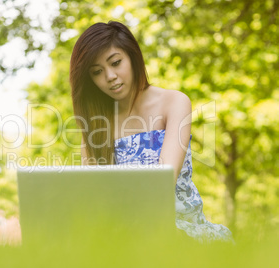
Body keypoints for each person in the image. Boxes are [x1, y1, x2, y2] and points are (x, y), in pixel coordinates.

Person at [69, 21, 233, 243]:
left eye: (116, 63)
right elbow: (91, 196)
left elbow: (162, 182)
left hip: (178, 231)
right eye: (97, 72)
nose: (110, 76)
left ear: (133, 57)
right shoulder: (95, 126)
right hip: (121, 234)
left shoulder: (174, 102)